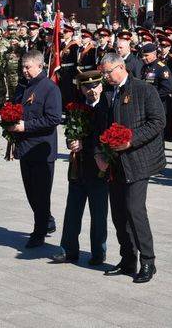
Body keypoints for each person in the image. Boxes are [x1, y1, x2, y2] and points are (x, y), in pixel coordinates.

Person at [96, 53, 165, 283]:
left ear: (121, 67)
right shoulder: (108, 93)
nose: (106, 77)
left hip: (138, 160)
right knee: (118, 213)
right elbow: (101, 126)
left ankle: (148, 261)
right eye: (103, 73)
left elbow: (157, 122)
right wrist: (100, 153)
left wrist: (131, 140)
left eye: (108, 72)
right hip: (115, 162)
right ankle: (127, 259)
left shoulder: (144, 90)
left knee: (135, 210)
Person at [51, 71, 109, 266]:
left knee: (98, 212)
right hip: (78, 166)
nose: (91, 91)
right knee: (72, 210)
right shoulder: (77, 107)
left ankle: (98, 252)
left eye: (95, 86)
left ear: (101, 86)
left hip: (98, 167)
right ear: (81, 88)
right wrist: (71, 142)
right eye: (86, 87)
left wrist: (84, 143)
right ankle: (68, 250)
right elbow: (70, 131)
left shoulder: (107, 106)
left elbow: (106, 136)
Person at [7, 50, 62, 248]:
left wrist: (26, 126)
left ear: (40, 66)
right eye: (23, 67)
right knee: (31, 192)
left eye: (28, 67)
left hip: (41, 149)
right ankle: (46, 221)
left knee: (40, 193)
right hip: (25, 147)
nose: (24, 71)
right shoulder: (23, 87)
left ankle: (38, 233)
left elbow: (54, 118)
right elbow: (15, 107)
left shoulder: (49, 88)